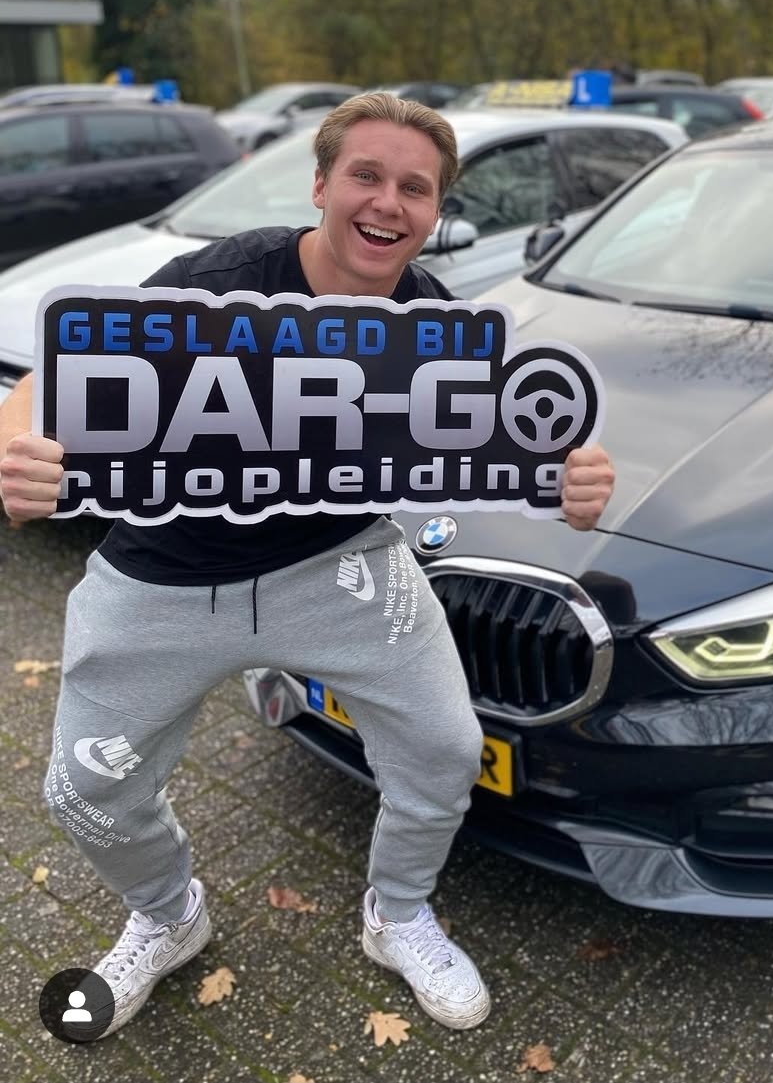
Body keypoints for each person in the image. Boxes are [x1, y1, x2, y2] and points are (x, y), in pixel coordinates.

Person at [0, 92, 616, 1036]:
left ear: (436, 211)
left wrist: (572, 476)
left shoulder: (431, 318)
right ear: (322, 184)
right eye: (366, 175)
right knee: (82, 792)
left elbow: (515, 441)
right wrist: (17, 446)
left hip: (341, 566)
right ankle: (167, 915)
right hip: (163, 574)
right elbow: (56, 377)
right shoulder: (218, 281)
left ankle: (397, 911)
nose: (388, 202)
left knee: (447, 749)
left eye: (415, 187)